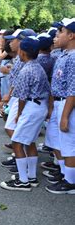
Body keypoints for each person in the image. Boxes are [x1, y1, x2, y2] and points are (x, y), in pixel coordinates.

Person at [0, 37, 50, 191]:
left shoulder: (26, 69)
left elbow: (21, 97)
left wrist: (19, 114)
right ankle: (31, 177)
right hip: (40, 106)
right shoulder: (38, 66)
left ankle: (23, 181)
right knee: (29, 141)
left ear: (22, 52)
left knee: (17, 142)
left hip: (31, 107)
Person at [45, 18, 75, 194]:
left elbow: (73, 88)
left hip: (67, 104)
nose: (57, 35)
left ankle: (71, 182)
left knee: (69, 143)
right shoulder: (64, 54)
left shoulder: (73, 57)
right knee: (56, 139)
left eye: (61, 32)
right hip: (59, 102)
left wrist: (65, 115)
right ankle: (66, 173)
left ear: (71, 36)